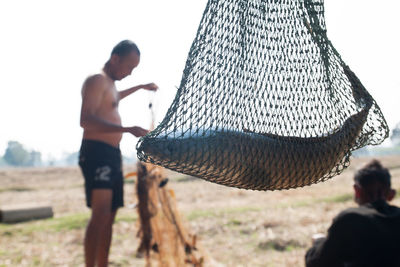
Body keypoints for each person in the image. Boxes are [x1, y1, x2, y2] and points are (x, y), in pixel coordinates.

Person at [78, 40, 158, 267]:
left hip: (112, 155)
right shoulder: (97, 80)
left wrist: (140, 86)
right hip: (97, 153)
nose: (129, 73)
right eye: (129, 67)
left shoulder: (109, 86)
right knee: (100, 214)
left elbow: (115, 97)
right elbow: (86, 120)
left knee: (109, 217)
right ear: (115, 58)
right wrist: (127, 129)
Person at [305, 159, 400, 267]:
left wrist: (318, 243)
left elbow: (318, 262)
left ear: (357, 191)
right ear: (391, 194)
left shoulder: (351, 219)